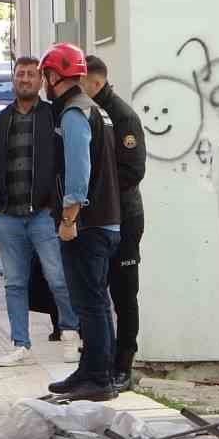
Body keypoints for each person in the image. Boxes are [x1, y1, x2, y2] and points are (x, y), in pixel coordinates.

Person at [0, 56, 79, 367]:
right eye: (20, 74)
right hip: (8, 216)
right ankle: (20, 344)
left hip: (42, 214)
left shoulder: (53, 116)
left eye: (30, 75)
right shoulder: (0, 120)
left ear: (41, 81)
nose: (24, 79)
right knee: (14, 283)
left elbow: (65, 162)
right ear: (14, 80)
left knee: (58, 278)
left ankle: (70, 332)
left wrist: (55, 203)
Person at [42, 44, 122, 402]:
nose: (45, 82)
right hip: (107, 220)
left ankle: (99, 379)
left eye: (46, 75)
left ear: (54, 75)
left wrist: (69, 217)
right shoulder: (96, 109)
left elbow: (79, 169)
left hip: (87, 224)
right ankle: (91, 371)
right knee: (96, 302)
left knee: (89, 303)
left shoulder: (74, 112)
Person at [83, 54, 147, 391]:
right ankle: (101, 358)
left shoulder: (122, 116)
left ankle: (124, 363)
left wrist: (98, 187)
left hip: (124, 217)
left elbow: (133, 171)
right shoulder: (89, 112)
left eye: (82, 83)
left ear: (96, 82)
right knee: (96, 289)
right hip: (100, 216)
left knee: (124, 292)